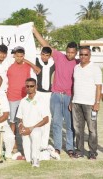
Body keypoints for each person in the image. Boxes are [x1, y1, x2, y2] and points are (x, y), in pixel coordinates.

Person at [33, 27, 79, 158]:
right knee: (57, 123)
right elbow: (45, 45)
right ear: (66, 51)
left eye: (72, 53)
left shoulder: (78, 62)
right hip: (56, 96)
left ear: (76, 53)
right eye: (68, 52)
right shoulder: (59, 57)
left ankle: (70, 148)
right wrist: (35, 31)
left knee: (70, 125)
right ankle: (57, 148)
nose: (70, 55)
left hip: (69, 97)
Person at [71, 46, 102, 160]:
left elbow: (99, 86)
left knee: (92, 129)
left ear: (90, 55)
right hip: (76, 103)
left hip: (90, 104)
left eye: (86, 54)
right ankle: (79, 151)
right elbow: (74, 85)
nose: (83, 57)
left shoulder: (95, 68)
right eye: (81, 55)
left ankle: (93, 152)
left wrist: (97, 102)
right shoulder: (76, 67)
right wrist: (72, 100)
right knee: (78, 128)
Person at [16, 78, 49, 167]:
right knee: (27, 159)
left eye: (32, 86)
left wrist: (31, 128)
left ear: (36, 87)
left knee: (35, 133)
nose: (29, 88)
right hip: (26, 129)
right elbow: (20, 118)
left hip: (37, 128)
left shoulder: (41, 99)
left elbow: (46, 119)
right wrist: (21, 126)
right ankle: (46, 152)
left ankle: (36, 159)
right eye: (27, 86)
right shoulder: (23, 101)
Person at [6, 46, 32, 144]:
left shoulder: (27, 67)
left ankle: (26, 143)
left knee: (25, 120)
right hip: (12, 97)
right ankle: (13, 143)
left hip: (24, 98)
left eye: (21, 56)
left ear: (24, 56)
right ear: (14, 56)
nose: (19, 58)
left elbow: (37, 71)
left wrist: (27, 61)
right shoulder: (9, 66)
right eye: (17, 56)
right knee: (13, 122)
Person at [35, 47, 55, 150]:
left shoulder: (53, 63)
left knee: (47, 118)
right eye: (43, 54)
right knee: (37, 117)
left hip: (49, 94)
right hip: (37, 93)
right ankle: (36, 142)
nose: (44, 57)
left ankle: (44, 144)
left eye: (47, 55)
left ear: (50, 55)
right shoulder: (36, 61)